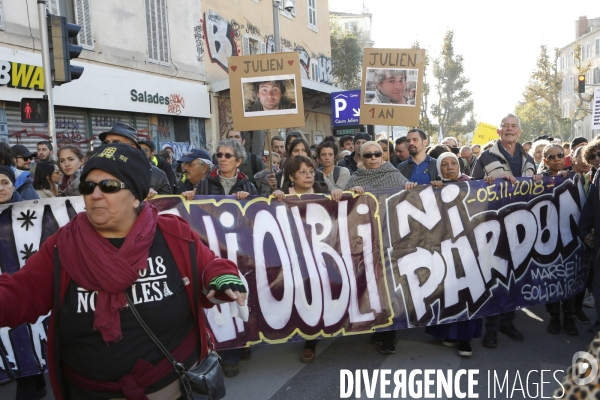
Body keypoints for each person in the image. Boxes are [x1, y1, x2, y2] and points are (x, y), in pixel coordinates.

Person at [0, 143, 246, 399]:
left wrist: (223, 278)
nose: (95, 195)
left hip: (175, 388)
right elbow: (19, 294)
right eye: (88, 186)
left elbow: (212, 266)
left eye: (109, 186)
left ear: (137, 196)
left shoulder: (173, 233)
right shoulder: (64, 244)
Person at [471, 113, 540, 348]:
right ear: (498, 132)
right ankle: (491, 328)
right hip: (494, 227)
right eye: (505, 126)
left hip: (522, 227)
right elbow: (472, 189)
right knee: (495, 277)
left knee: (516, 277)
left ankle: (508, 322)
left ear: (520, 132)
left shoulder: (529, 158)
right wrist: (491, 182)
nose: (510, 129)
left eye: (514, 126)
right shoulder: (486, 156)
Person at [271, 155, 343, 363]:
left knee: (316, 294)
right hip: (290, 253)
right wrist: (272, 196)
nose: (309, 175)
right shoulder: (281, 195)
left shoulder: (323, 191)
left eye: (311, 171)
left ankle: (310, 341)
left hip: (320, 253)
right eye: (303, 172)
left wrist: (344, 194)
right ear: (291, 176)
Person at [344, 141, 409, 355]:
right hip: (364, 241)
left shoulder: (396, 175)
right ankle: (379, 327)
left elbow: (411, 198)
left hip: (391, 238)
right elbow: (341, 206)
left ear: (383, 156)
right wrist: (350, 193)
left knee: (388, 287)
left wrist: (410, 188)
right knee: (372, 287)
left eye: (377, 154)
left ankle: (388, 335)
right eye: (368, 155)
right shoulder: (354, 179)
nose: (373, 158)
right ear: (361, 158)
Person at [425, 153, 482, 357]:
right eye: (444, 164)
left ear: (460, 165)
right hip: (443, 248)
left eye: (453, 163)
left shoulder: (474, 185)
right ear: (439, 168)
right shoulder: (434, 187)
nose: (450, 167)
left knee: (469, 293)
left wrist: (492, 183)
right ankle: (449, 333)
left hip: (471, 249)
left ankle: (465, 340)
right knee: (446, 293)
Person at [0, 164, 48, 400]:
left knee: (29, 333)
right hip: (4, 291)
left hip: (27, 287)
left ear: (12, 185)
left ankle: (31, 385)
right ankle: (35, 383)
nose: (0, 188)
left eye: (4, 183)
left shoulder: (31, 210)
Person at [535, 144, 578, 336]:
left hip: (570, 236)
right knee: (551, 277)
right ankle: (554, 317)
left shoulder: (574, 176)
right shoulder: (539, 179)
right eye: (551, 157)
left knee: (568, 277)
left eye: (560, 155)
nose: (556, 159)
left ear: (565, 156)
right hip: (547, 238)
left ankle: (569, 317)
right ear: (545, 161)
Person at [99, 122, 172, 196]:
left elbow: (168, 204)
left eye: (116, 142)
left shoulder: (157, 176)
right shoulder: (96, 172)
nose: (109, 147)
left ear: (133, 147)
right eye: (106, 143)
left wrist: (154, 199)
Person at [193, 138, 258, 200]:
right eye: (219, 155)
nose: (222, 159)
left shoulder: (248, 187)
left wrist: (247, 199)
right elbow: (196, 210)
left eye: (228, 156)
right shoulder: (204, 184)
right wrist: (189, 197)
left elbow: (255, 210)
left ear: (238, 161)